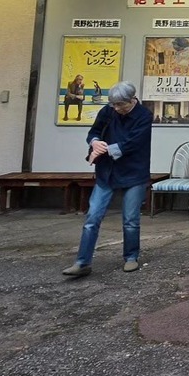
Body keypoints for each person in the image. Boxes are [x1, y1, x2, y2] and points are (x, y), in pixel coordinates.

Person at [62, 82, 153, 278]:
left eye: (121, 105)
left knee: (130, 220)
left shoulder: (144, 115)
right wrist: (95, 143)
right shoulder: (108, 111)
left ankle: (131, 257)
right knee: (92, 218)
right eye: (114, 105)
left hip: (134, 172)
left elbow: (133, 143)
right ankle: (82, 262)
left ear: (132, 100)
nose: (117, 109)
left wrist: (105, 149)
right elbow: (94, 132)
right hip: (107, 172)